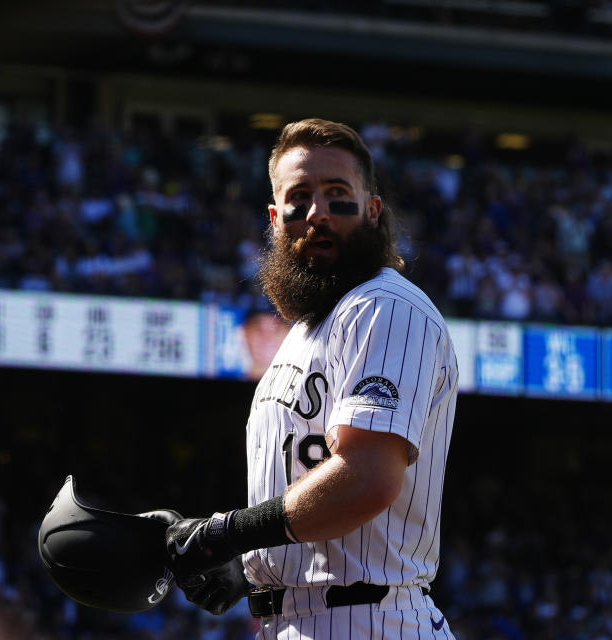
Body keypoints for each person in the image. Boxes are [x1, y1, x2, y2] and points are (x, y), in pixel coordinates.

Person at [164, 118, 459, 639]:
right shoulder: (306, 331)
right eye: (300, 197)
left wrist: (229, 533)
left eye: (337, 193)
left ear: (373, 210)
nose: (318, 213)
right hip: (298, 619)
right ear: (276, 219)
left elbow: (367, 478)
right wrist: (252, 565)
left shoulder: (383, 307)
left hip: (370, 618)